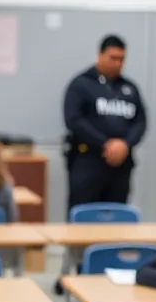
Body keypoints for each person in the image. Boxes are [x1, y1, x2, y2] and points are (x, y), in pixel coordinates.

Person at [62, 35, 147, 214]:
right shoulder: (82, 84)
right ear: (99, 56)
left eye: (121, 59)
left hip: (121, 165)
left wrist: (125, 144)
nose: (117, 63)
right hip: (88, 161)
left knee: (117, 215)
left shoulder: (129, 89)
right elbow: (74, 120)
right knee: (84, 214)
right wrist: (105, 144)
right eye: (112, 58)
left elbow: (140, 122)